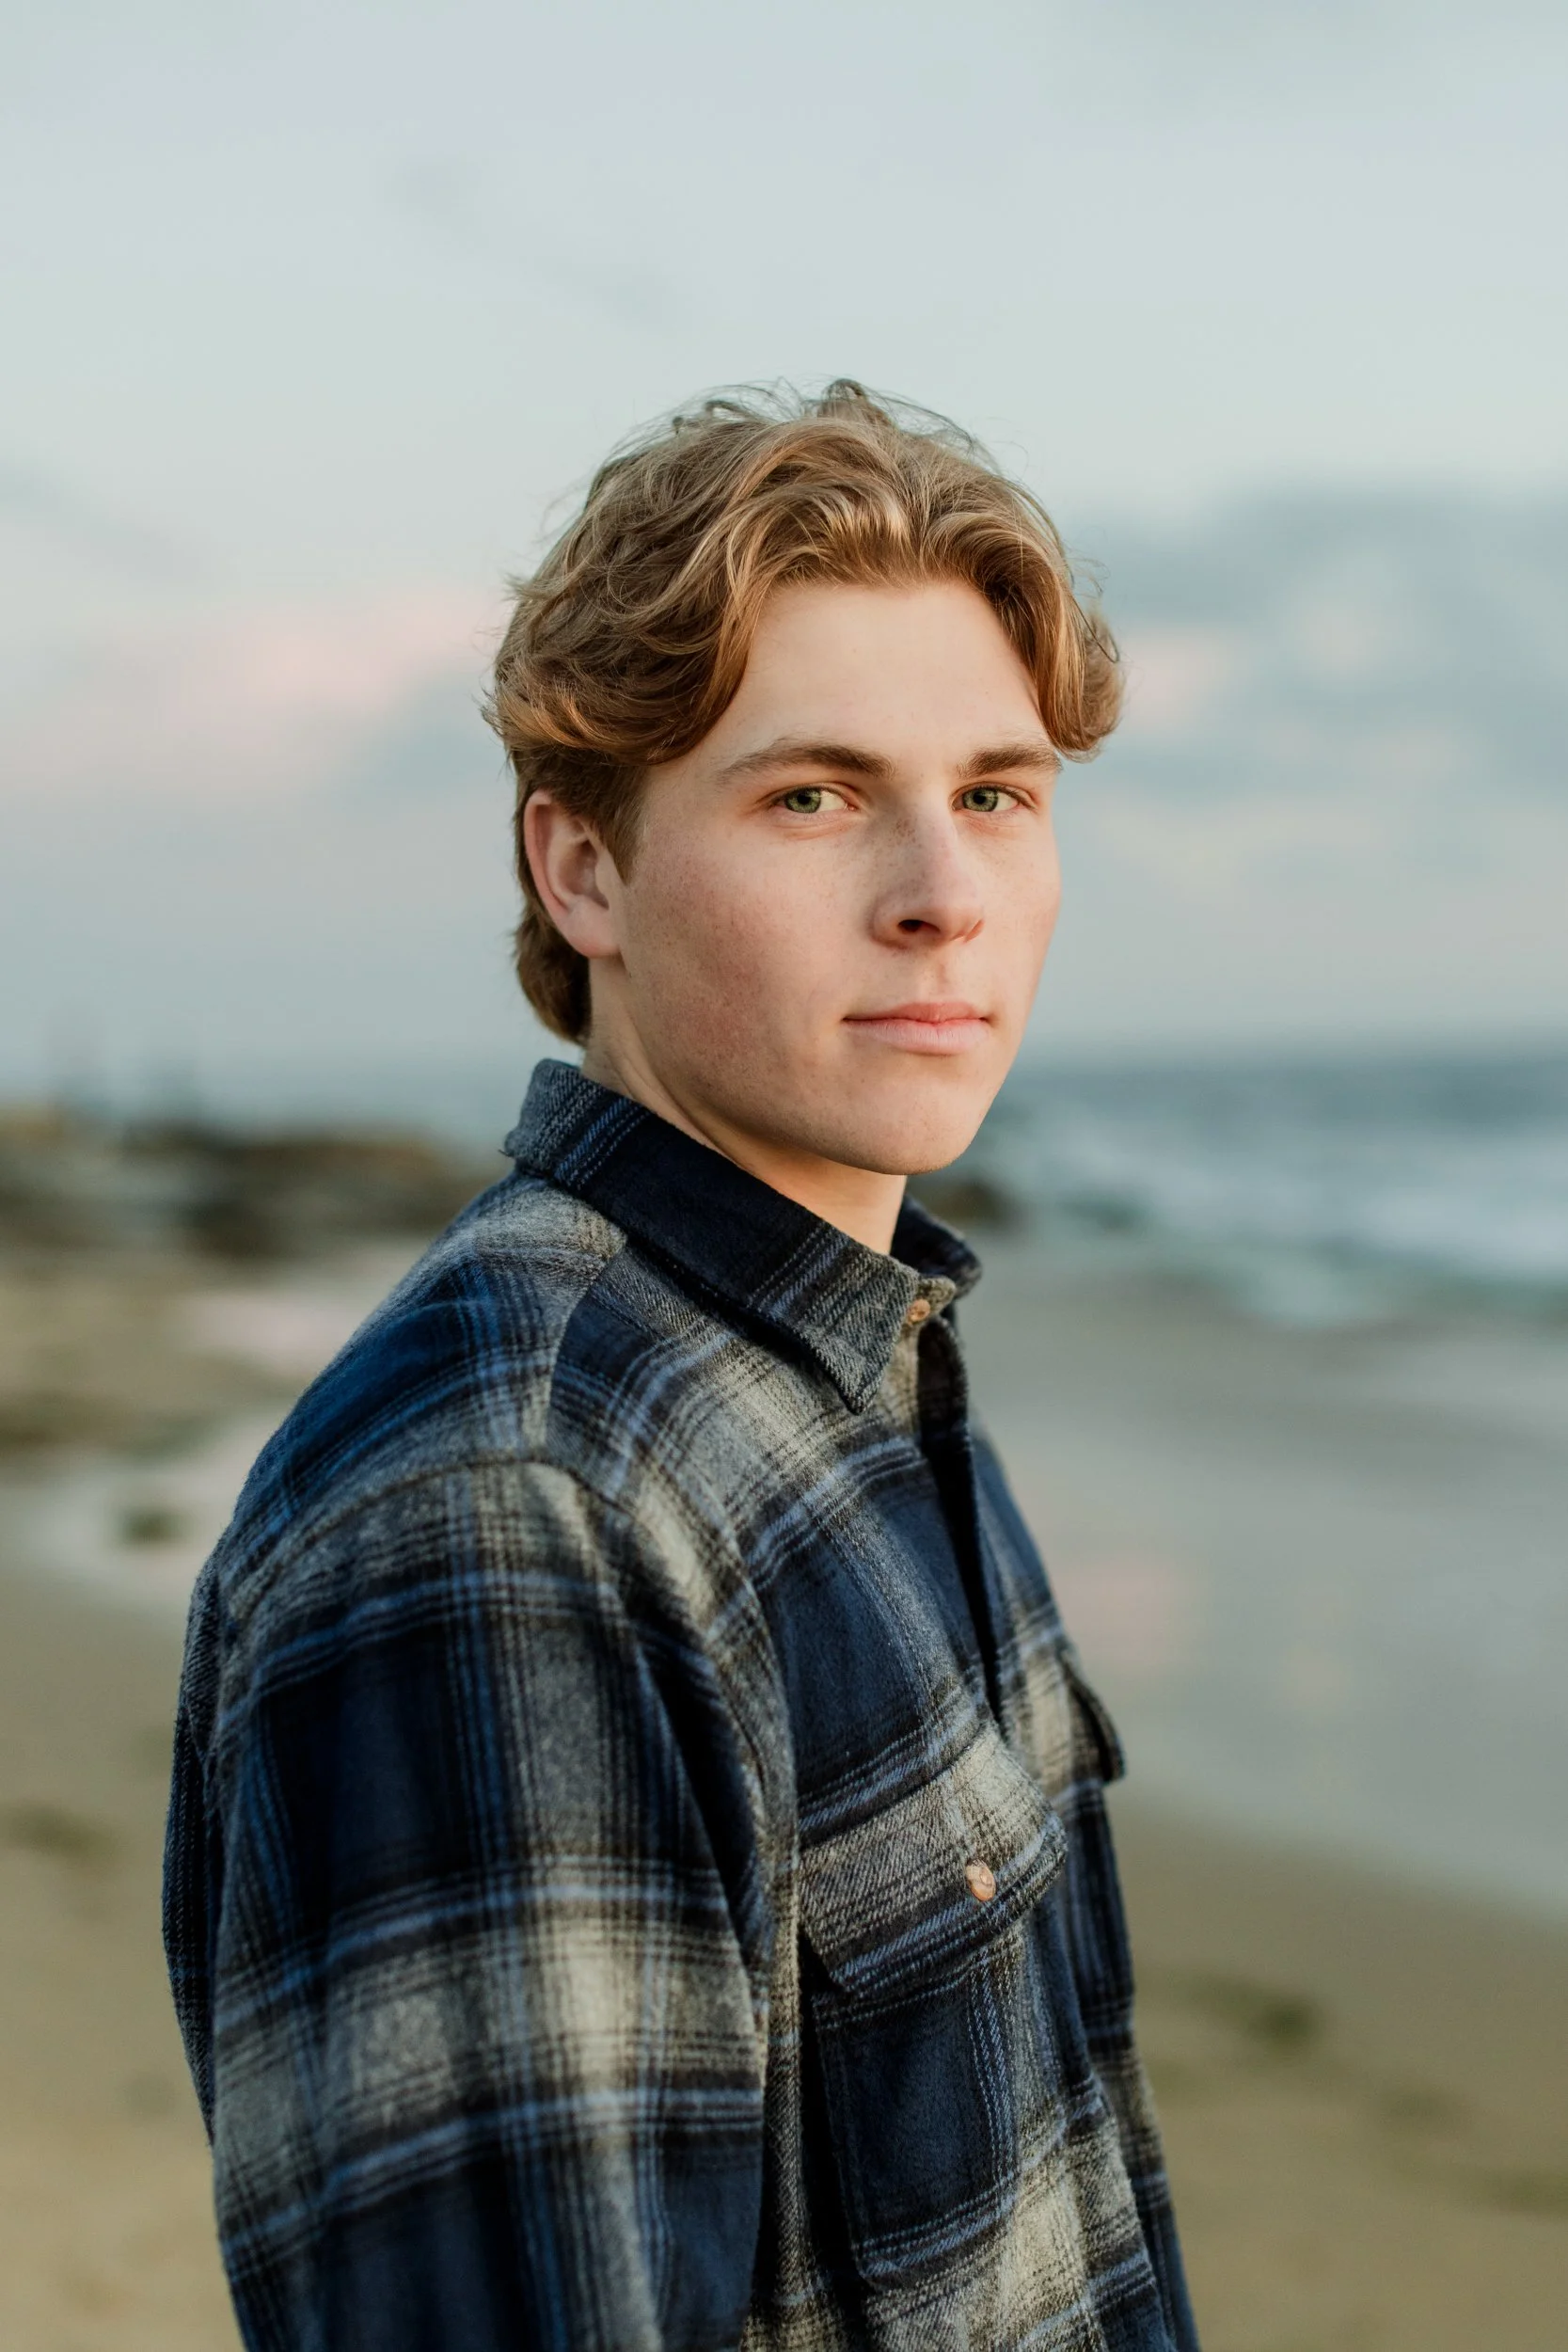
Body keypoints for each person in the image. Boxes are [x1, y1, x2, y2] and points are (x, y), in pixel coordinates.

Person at [164, 382, 1199, 2351]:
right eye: (811, 792)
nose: (940, 890)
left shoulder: (865, 1360)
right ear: (582, 874)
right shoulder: (505, 1501)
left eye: (993, 791)